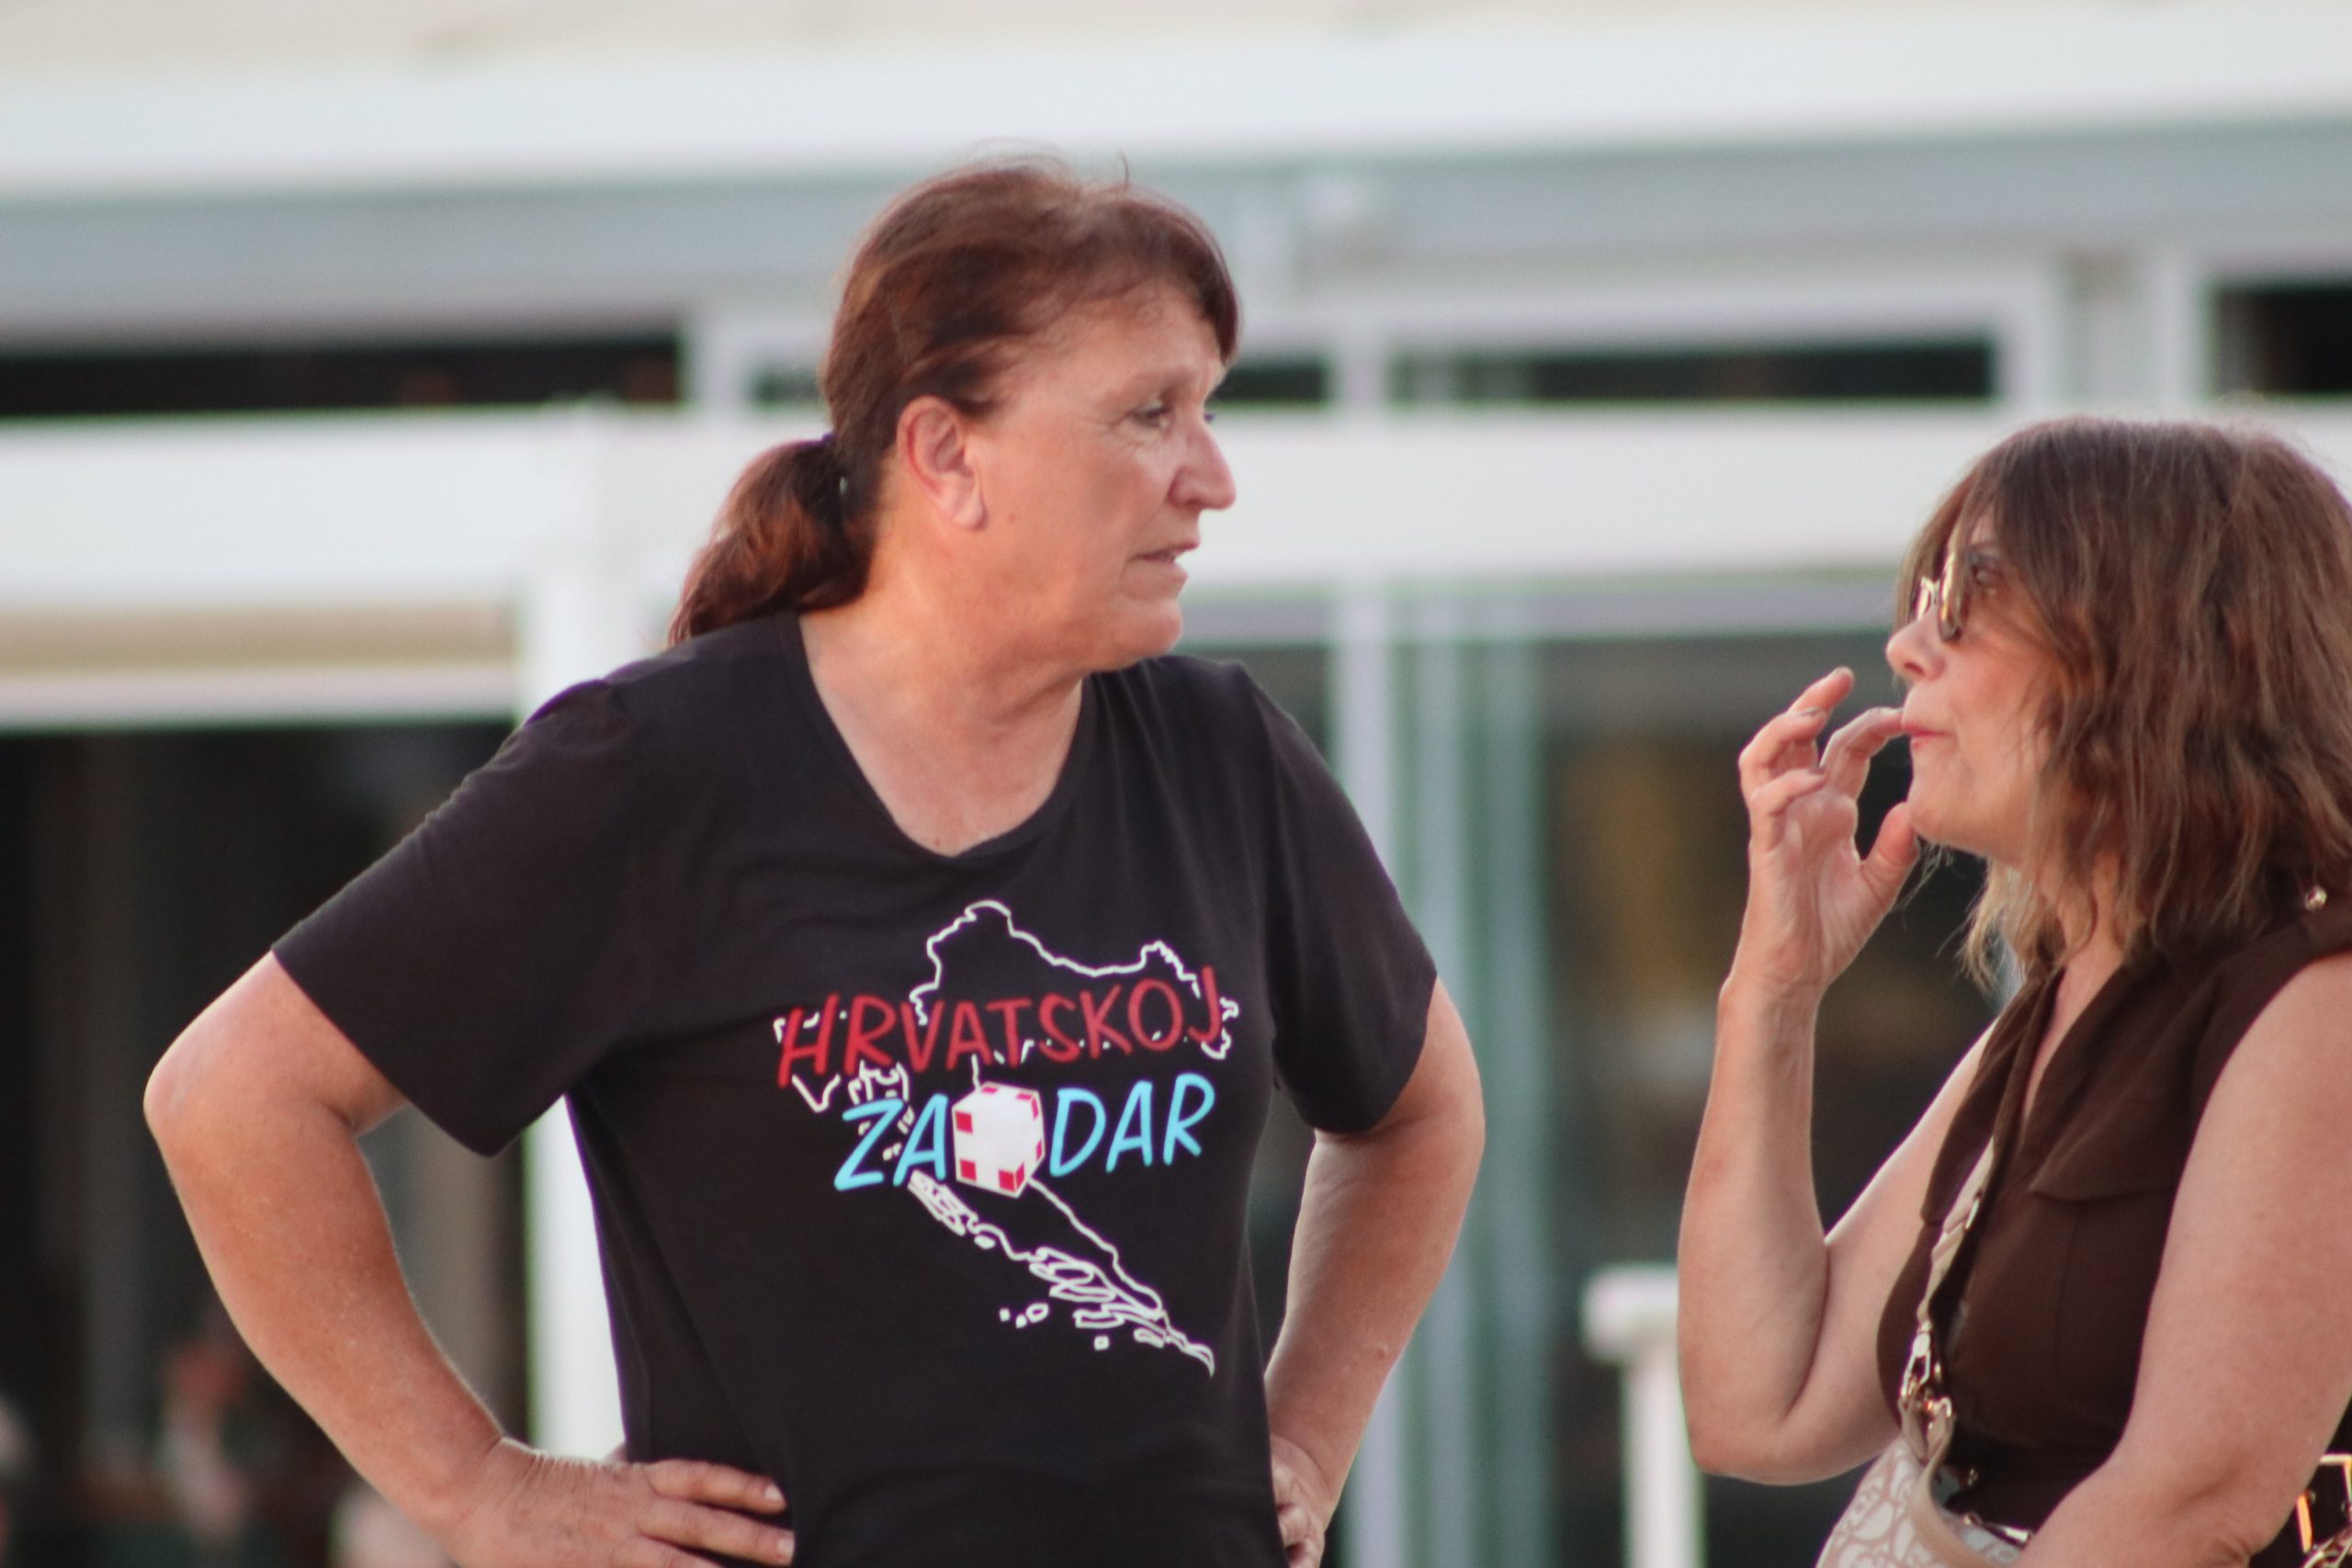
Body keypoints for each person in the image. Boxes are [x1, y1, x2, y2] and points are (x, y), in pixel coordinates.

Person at [143, 159, 1484, 1568]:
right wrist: (477, 1484)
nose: (1211, 477)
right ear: (946, 453)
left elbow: (1420, 1109)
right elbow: (234, 1100)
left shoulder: (1222, 754)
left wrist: (1308, 1433)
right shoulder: (655, 773)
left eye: (1206, 409)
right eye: (1150, 413)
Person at [1677, 416, 2352, 1566]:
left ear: (2161, 650)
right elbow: (1759, 1406)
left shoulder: (2316, 990)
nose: (1905, 646)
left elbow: (2192, 1502)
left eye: (1966, 599)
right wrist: (1775, 992)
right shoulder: (2077, 988)